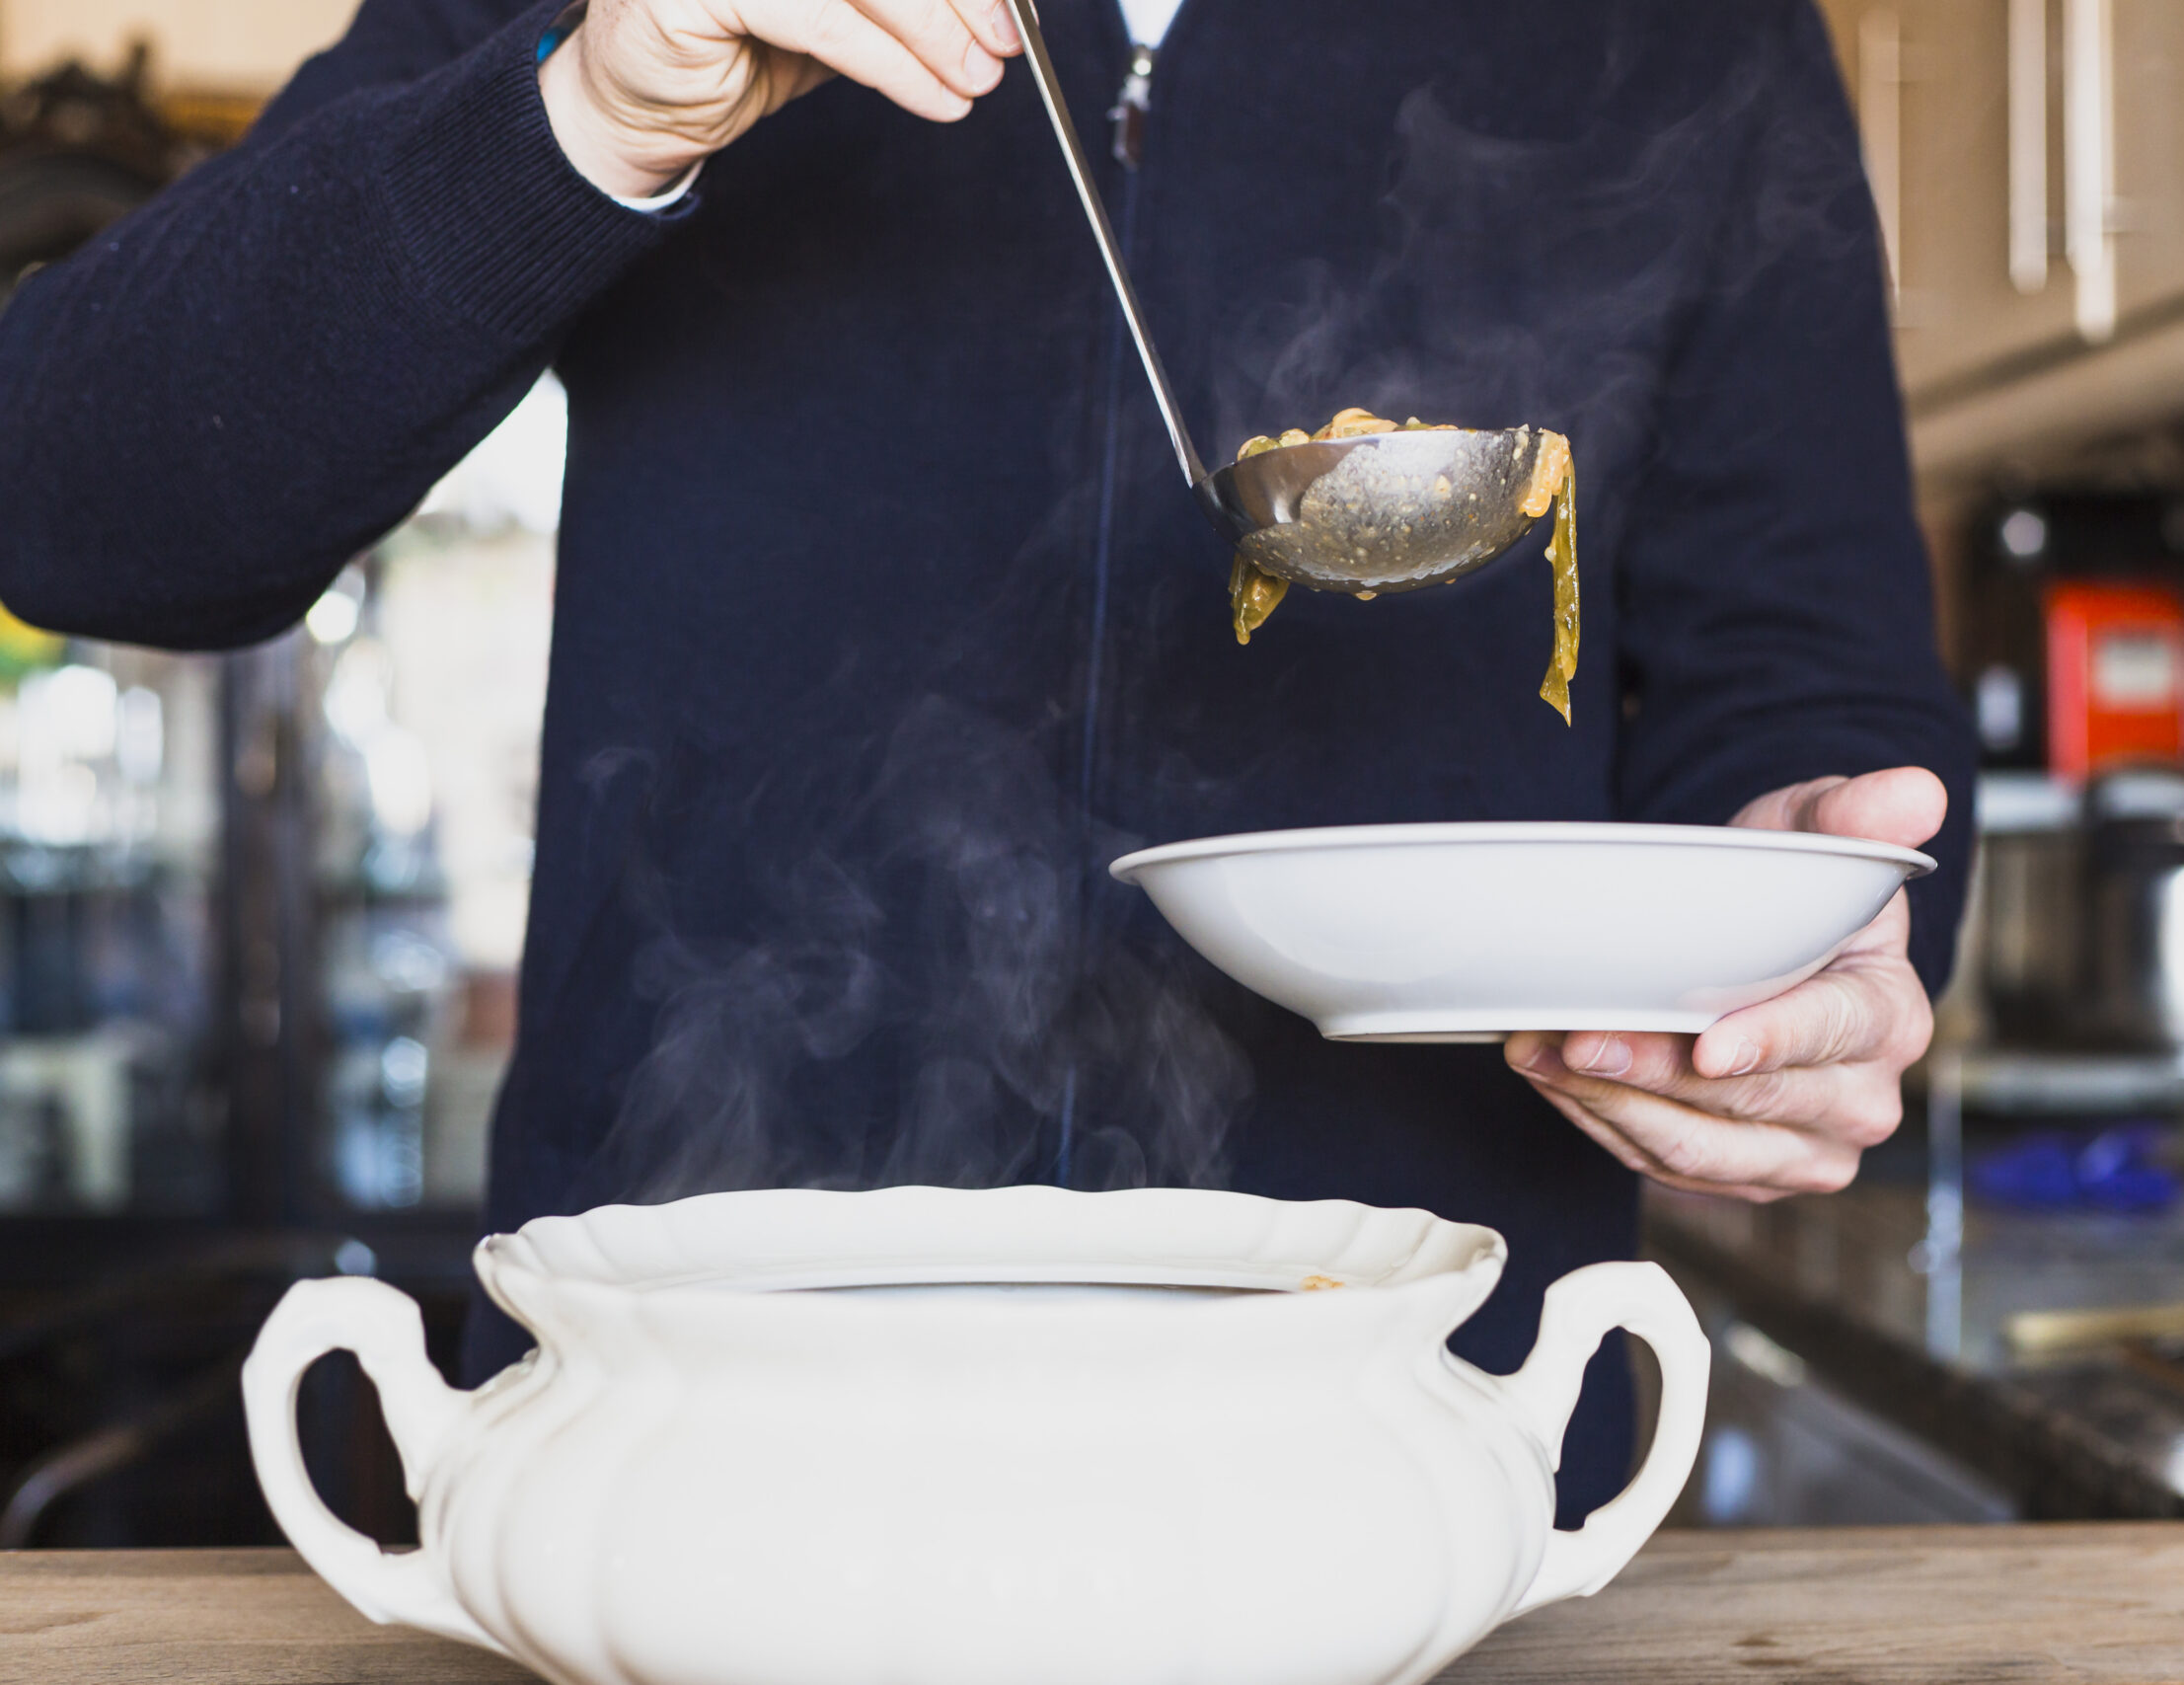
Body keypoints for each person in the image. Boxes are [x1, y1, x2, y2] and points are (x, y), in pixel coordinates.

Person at [0, 0, 1976, 1521]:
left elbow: (1806, 699)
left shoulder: (1681, 27)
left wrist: (1817, 938)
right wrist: (586, 112)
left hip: (1421, 1451)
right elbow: (80, 501)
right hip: (686, 1446)